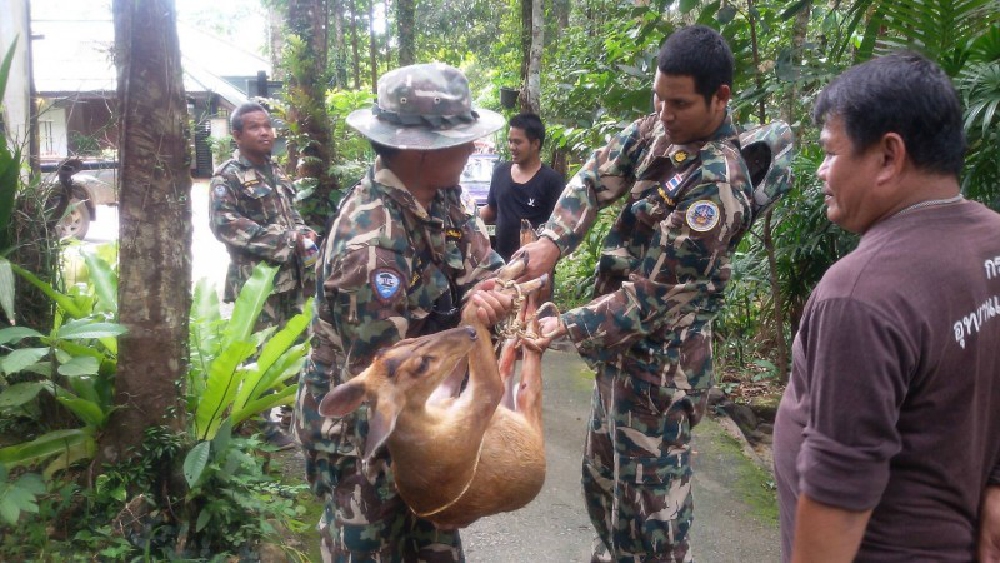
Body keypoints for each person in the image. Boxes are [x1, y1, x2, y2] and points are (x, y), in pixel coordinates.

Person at [520, 25, 754, 561]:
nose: (666, 115)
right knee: (603, 491)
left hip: (662, 374)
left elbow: (653, 295)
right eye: (659, 98)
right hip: (619, 359)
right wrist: (553, 242)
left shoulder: (717, 185)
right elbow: (592, 179)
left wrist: (562, 324)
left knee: (652, 523)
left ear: (721, 98)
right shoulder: (658, 131)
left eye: (680, 104)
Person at [772, 52, 1000, 562]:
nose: (822, 172)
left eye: (831, 154)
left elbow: (839, 496)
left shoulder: (862, 295)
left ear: (888, 157)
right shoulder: (992, 240)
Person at [292, 63, 514, 562]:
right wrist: (468, 325)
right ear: (418, 147)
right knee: (371, 548)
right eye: (462, 138)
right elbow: (387, 374)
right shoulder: (371, 246)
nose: (472, 148)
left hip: (422, 426)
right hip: (367, 438)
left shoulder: (441, 198)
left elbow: (483, 266)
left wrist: (488, 294)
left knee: (435, 545)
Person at [209, 102, 317, 449]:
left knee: (293, 348)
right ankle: (257, 428)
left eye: (267, 126)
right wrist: (288, 240)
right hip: (256, 282)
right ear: (237, 135)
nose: (265, 132)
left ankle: (292, 415)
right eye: (254, 127)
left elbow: (291, 215)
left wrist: (304, 232)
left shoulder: (276, 172)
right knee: (256, 353)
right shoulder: (228, 176)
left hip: (292, 278)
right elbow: (224, 224)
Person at [480, 113, 565, 261]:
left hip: (535, 267)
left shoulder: (552, 181)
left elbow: (560, 227)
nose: (512, 147)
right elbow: (491, 210)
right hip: (501, 265)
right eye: (510, 141)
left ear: (535, 144)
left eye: (518, 142)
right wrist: (465, 220)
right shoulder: (500, 172)